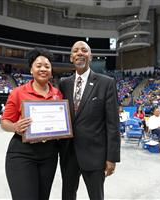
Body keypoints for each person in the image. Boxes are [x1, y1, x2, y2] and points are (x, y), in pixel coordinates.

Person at [58, 41, 120, 200]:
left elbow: (112, 123)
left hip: (95, 155)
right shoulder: (64, 84)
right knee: (67, 196)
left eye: (84, 50)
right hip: (68, 154)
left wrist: (111, 157)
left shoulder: (106, 83)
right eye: (75, 51)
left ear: (90, 56)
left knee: (96, 197)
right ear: (71, 57)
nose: (80, 53)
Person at [1, 47, 63, 200]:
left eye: (47, 66)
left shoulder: (57, 94)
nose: (43, 69)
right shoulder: (18, 92)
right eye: (39, 65)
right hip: (22, 153)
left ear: (51, 70)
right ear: (31, 70)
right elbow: (4, 122)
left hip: (49, 154)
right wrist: (15, 127)